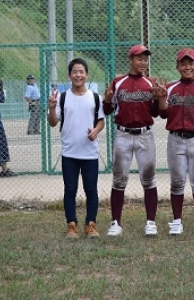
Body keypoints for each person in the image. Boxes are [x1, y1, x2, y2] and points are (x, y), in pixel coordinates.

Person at [103, 44, 165, 237]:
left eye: (145, 59)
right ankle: (116, 223)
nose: (143, 62)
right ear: (130, 60)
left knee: (148, 178)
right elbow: (107, 110)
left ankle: (151, 222)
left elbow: (156, 113)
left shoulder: (151, 83)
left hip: (145, 134)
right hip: (123, 134)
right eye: (139, 59)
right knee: (119, 180)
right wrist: (107, 100)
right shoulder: (118, 82)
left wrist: (159, 99)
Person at [158, 48, 194, 236]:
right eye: (183, 64)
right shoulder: (169, 88)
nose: (187, 67)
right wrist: (161, 98)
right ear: (177, 67)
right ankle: (177, 221)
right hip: (176, 138)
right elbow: (163, 114)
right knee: (177, 182)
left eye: (191, 63)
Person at [47, 58, 105, 238]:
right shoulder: (62, 98)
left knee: (91, 190)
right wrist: (52, 108)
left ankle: (91, 224)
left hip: (90, 153)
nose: (78, 75)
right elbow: (53, 123)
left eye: (81, 72)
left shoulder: (95, 98)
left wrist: (96, 131)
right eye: (74, 72)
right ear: (69, 75)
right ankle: (71, 225)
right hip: (69, 153)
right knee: (70, 190)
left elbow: (101, 121)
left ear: (86, 74)